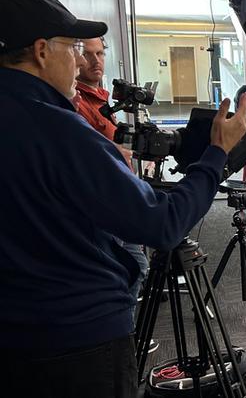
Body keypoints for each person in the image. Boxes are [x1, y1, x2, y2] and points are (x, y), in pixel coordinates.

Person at [0, 0, 246, 398]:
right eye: (74, 48)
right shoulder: (57, 129)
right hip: (77, 343)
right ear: (42, 51)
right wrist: (216, 152)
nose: (80, 61)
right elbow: (162, 224)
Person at [75, 36, 158, 352]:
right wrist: (118, 152)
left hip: (118, 195)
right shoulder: (77, 104)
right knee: (136, 266)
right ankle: (122, 338)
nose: (96, 61)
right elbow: (92, 152)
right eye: (87, 54)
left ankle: (124, 335)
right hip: (105, 203)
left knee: (133, 266)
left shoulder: (100, 99)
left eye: (100, 53)